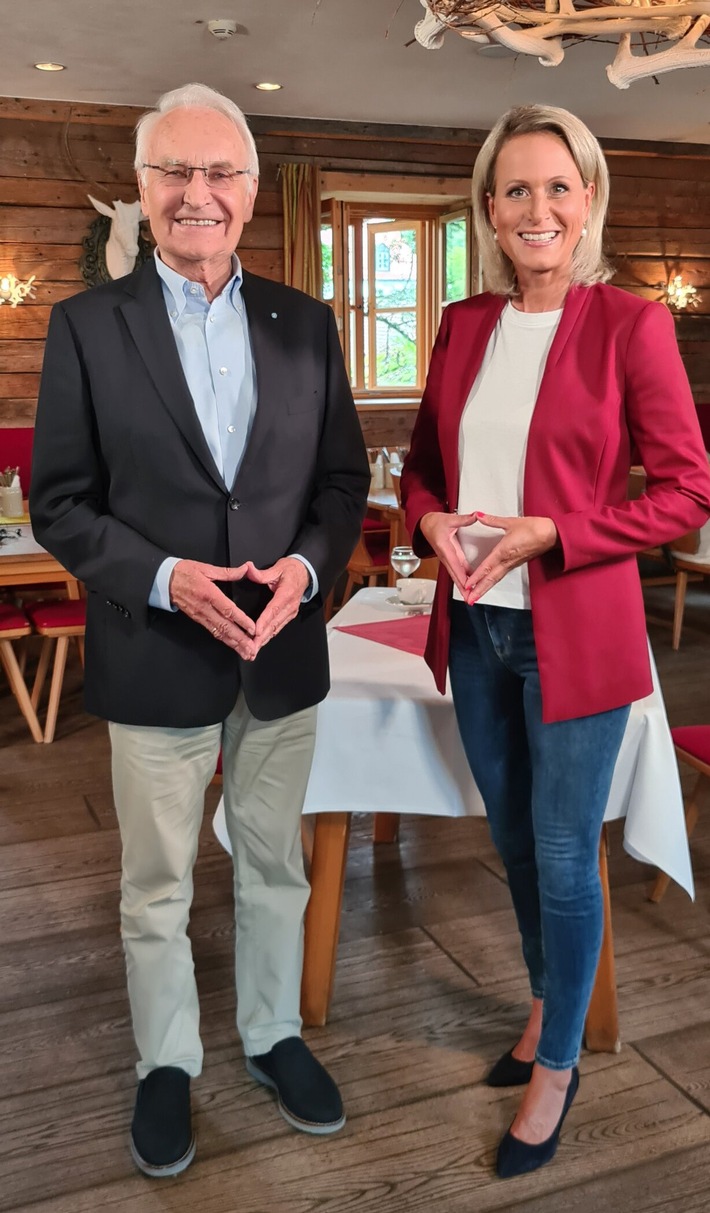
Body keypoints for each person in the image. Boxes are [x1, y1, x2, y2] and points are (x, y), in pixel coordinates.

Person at [30, 82, 369, 1178]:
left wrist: (310, 571)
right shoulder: (87, 326)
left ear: (251, 191)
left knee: (275, 867)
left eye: (219, 172)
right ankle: (165, 1062)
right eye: (174, 171)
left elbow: (340, 483)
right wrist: (170, 578)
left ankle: (271, 1035)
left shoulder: (306, 322)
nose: (197, 194)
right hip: (154, 651)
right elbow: (63, 503)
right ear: (141, 188)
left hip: (281, 654)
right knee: (157, 884)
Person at [400, 103, 710, 1180]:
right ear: (488, 211)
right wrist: (432, 520)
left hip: (573, 634)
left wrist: (554, 534)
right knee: (514, 841)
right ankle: (542, 1003)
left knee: (564, 858)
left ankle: (557, 1064)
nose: (536, 208)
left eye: (556, 187)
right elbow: (419, 470)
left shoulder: (630, 325)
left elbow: (683, 492)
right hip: (477, 626)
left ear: (587, 205)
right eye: (514, 190)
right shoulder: (460, 322)